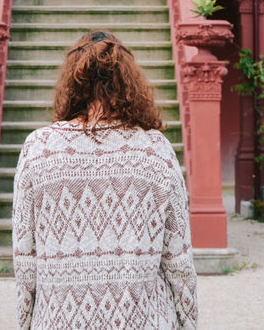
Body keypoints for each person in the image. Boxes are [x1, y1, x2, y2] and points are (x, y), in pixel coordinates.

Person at [12, 29, 198, 329]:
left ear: (70, 84)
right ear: (130, 84)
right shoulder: (155, 151)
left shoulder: (38, 149)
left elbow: (25, 263)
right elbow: (178, 262)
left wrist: (24, 324)